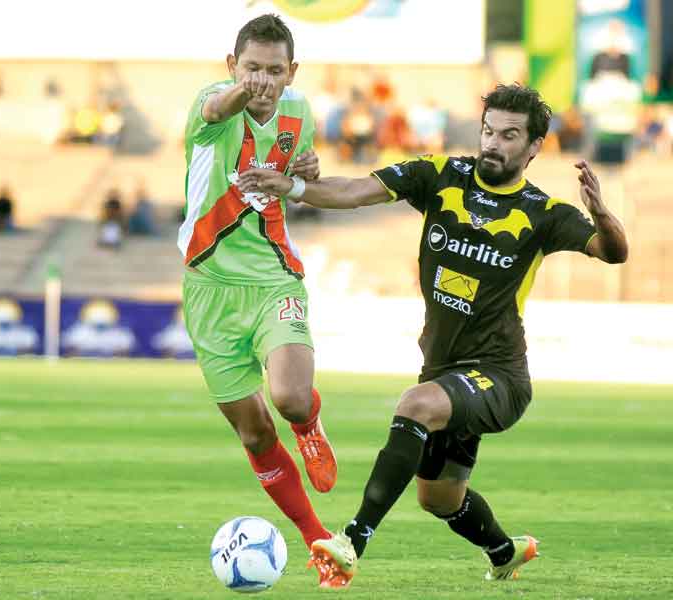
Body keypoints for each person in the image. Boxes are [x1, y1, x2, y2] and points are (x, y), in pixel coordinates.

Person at [238, 83, 629, 588]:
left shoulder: (544, 212)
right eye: (488, 131)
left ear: (534, 146)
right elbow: (353, 191)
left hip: (499, 376)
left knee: (416, 404)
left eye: (509, 136)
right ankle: (505, 551)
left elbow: (613, 252)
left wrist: (601, 213)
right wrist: (290, 188)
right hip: (443, 370)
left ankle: (351, 541)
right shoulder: (441, 176)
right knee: (439, 498)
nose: (493, 143)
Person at [177, 14, 336, 562]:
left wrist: (308, 170)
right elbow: (216, 111)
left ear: (292, 72)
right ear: (231, 66)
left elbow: (298, 182)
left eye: (273, 70)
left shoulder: (299, 112)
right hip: (209, 287)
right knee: (254, 433)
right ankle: (317, 539)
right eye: (251, 69)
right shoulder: (213, 105)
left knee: (290, 398)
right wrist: (243, 92)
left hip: (273, 276)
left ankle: (309, 425)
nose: (262, 80)